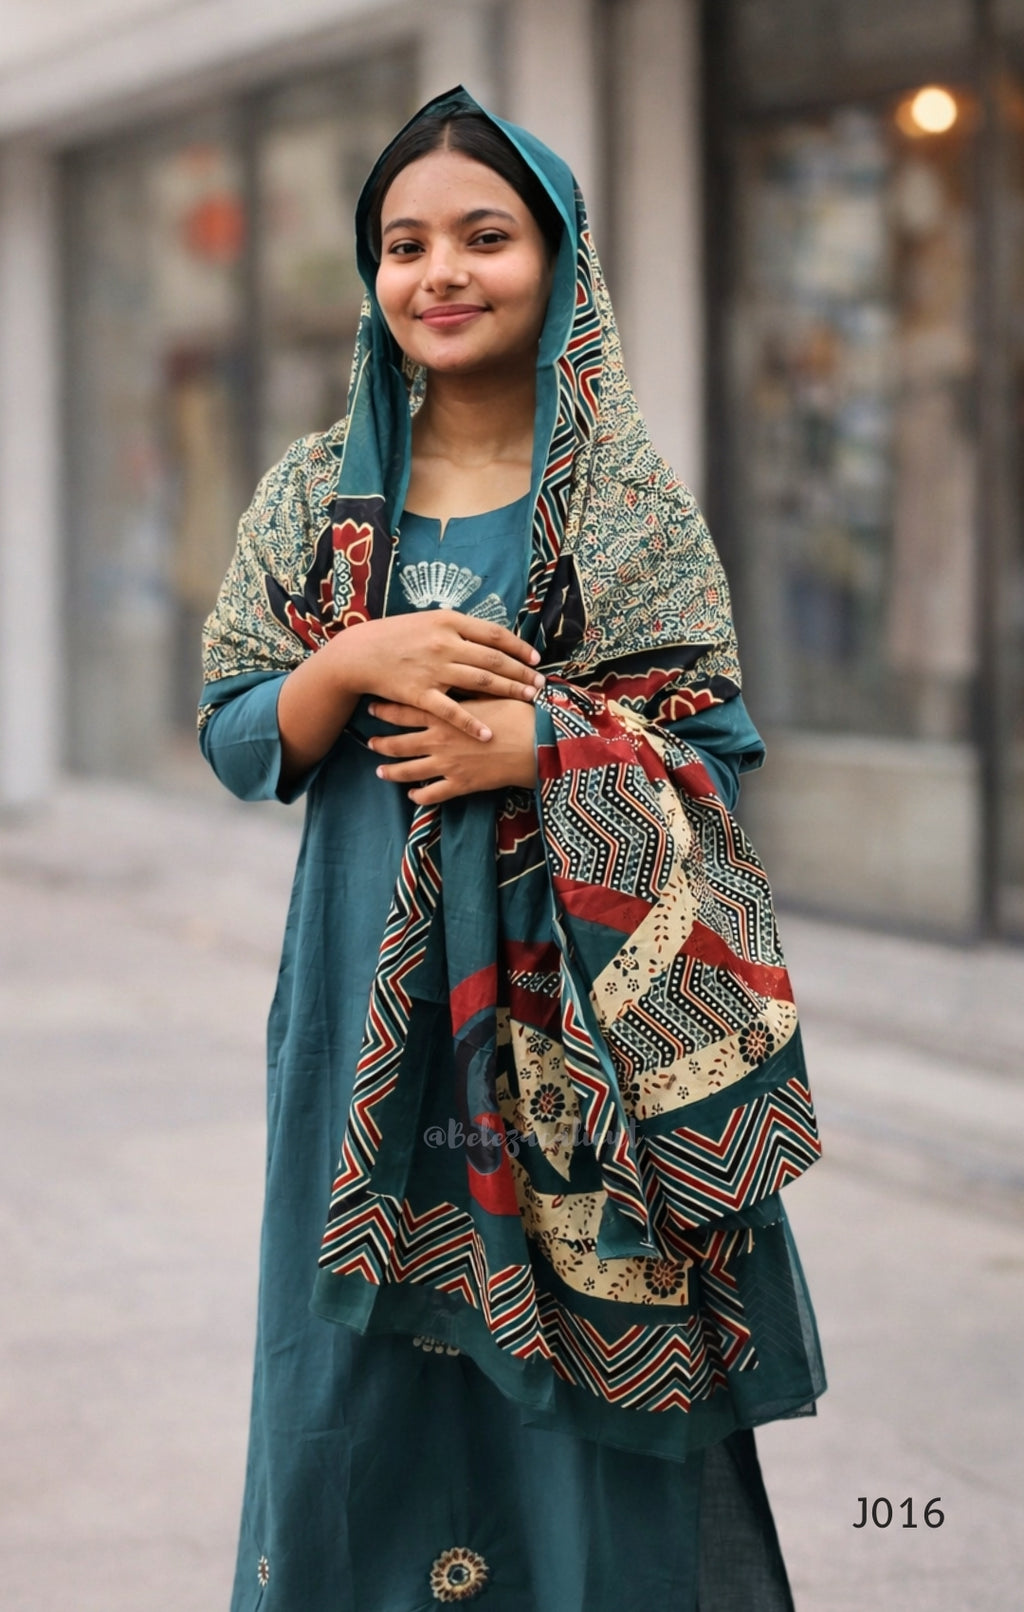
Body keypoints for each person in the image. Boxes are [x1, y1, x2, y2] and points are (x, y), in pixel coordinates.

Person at [199, 86, 826, 1612]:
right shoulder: (310, 499)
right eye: (404, 244)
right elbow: (233, 734)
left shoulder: (620, 505)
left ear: (558, 264)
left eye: (484, 237)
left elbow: (717, 754)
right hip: (363, 1017)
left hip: (576, 1050)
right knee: (352, 1385)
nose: (441, 272)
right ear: (374, 279)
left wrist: (537, 747)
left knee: (592, 1392)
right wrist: (352, 666)